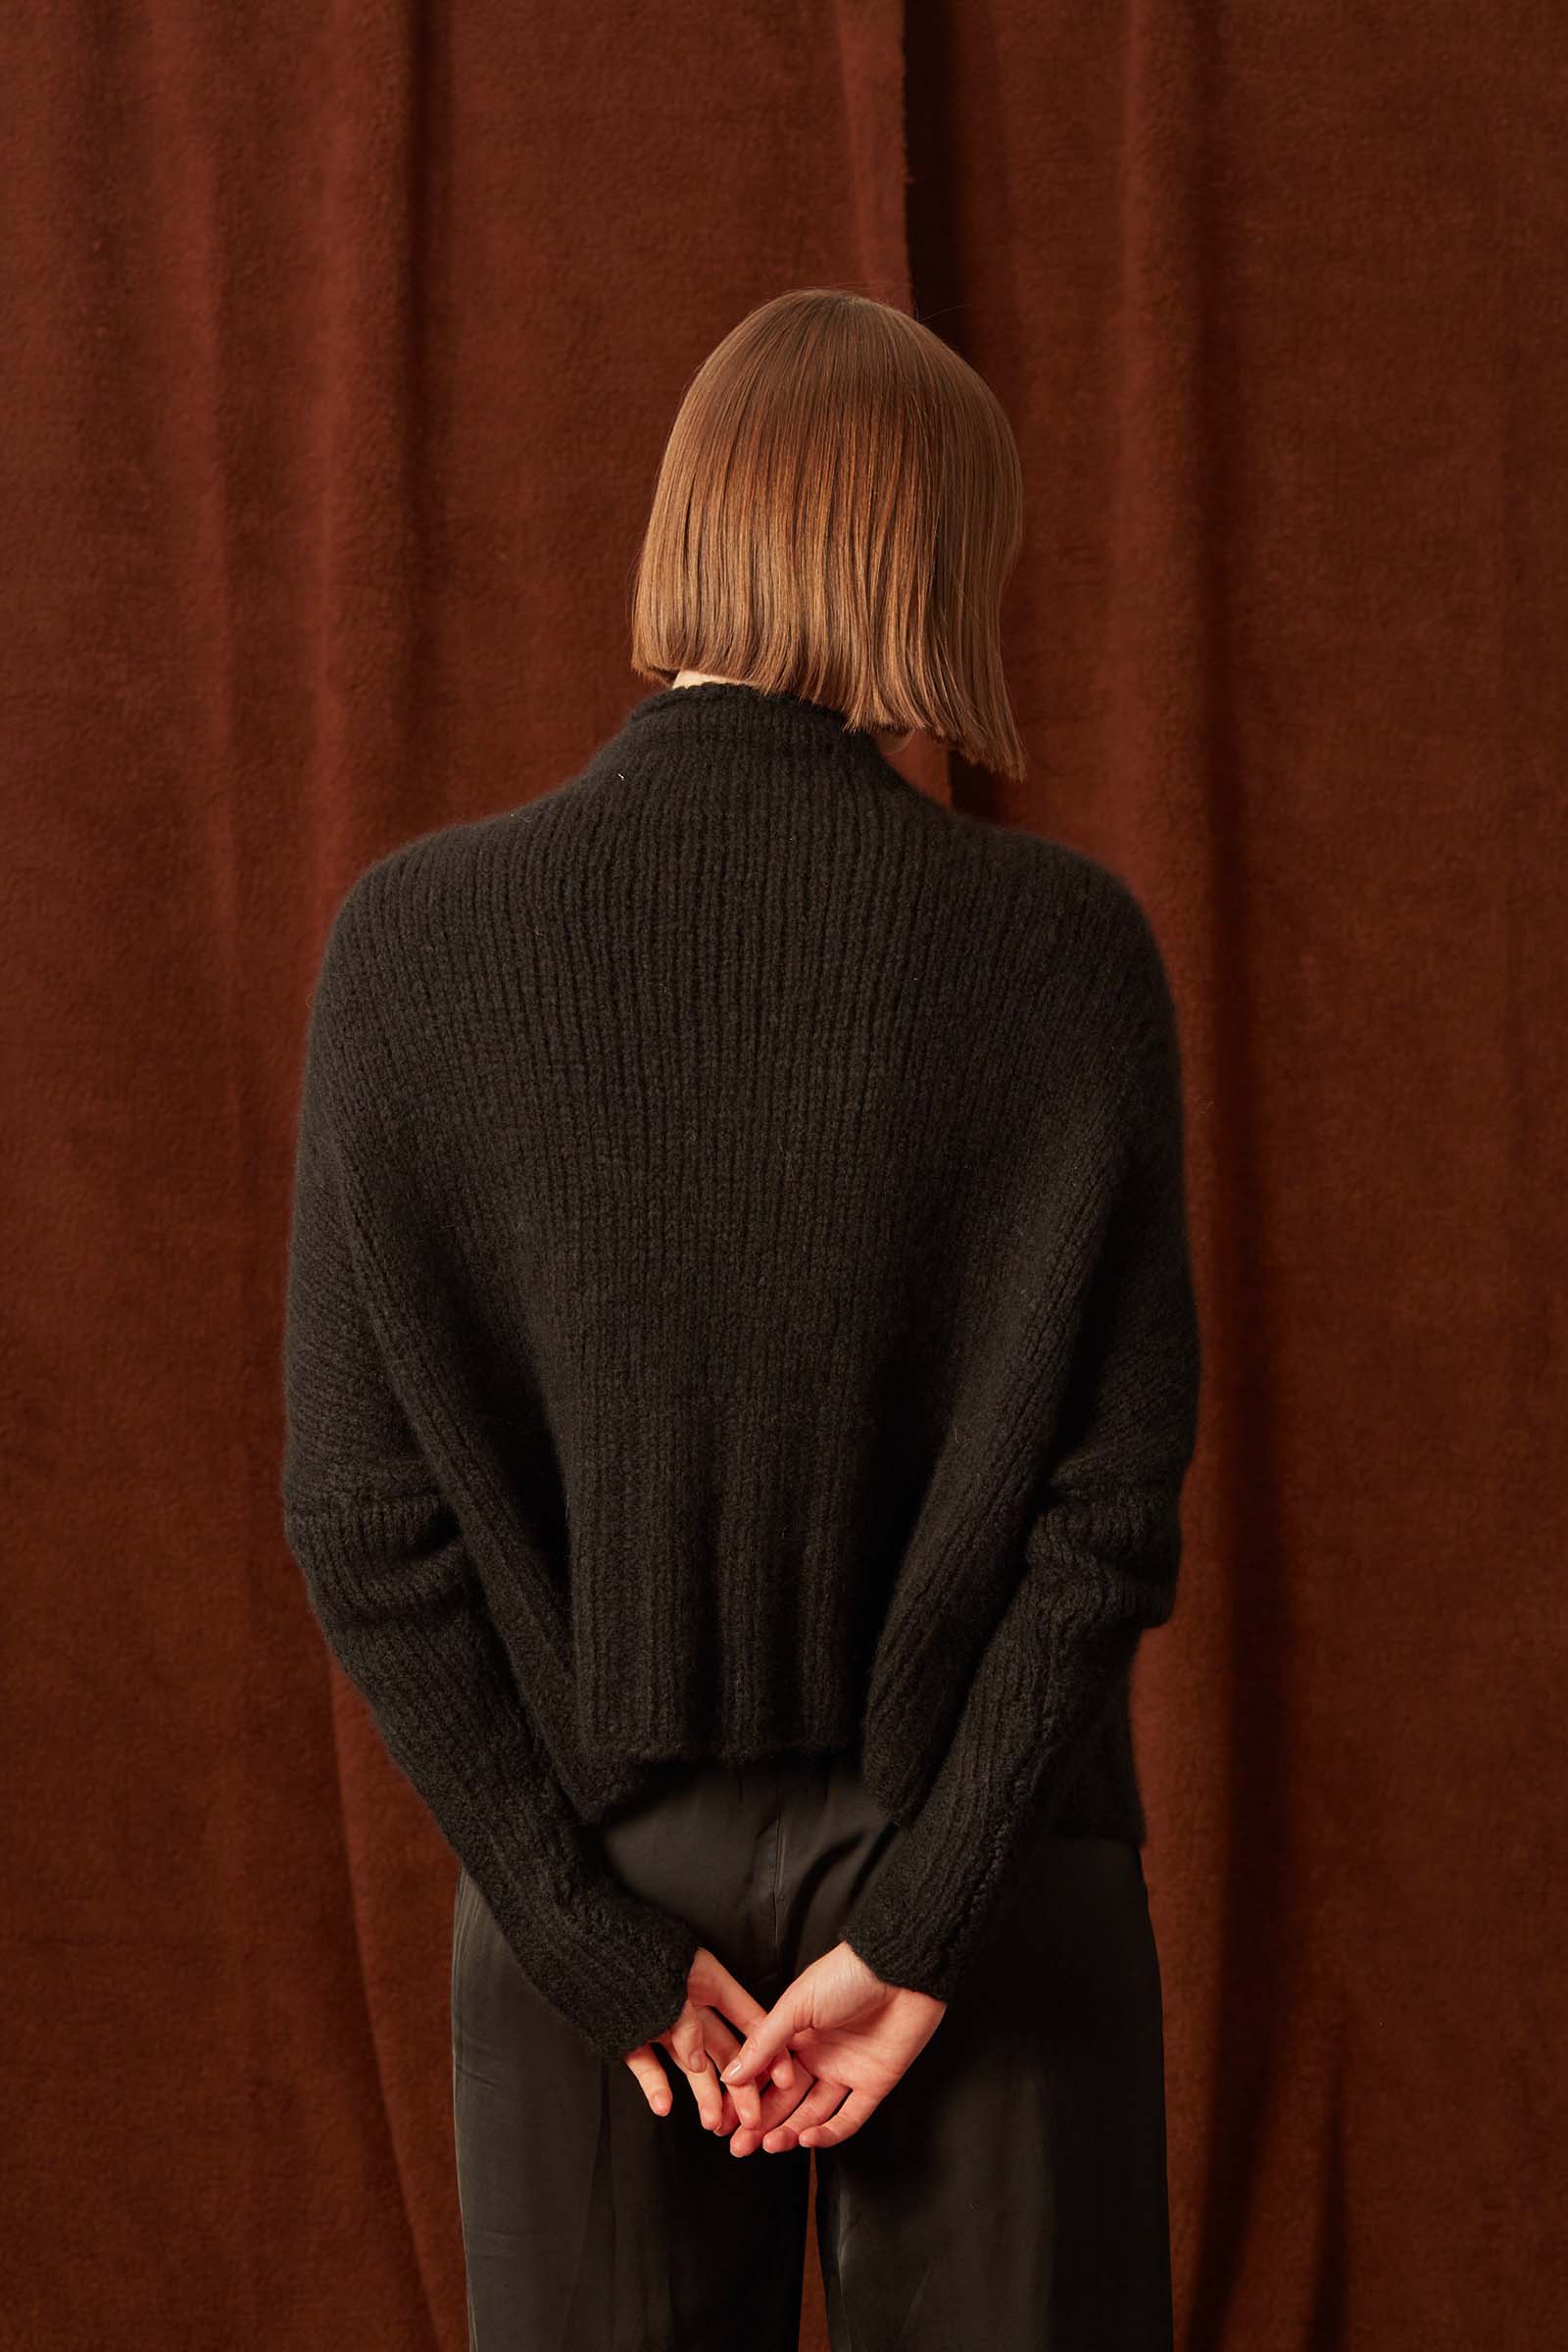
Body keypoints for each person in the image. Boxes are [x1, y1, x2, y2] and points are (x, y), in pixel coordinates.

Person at [281, 286, 1201, 2349]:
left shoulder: (411, 946)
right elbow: (1105, 1513)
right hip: (990, 1846)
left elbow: (361, 1519)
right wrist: (931, 1909)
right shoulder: (1065, 954)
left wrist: (574, 1921)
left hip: (592, 1864)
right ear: (929, 562)